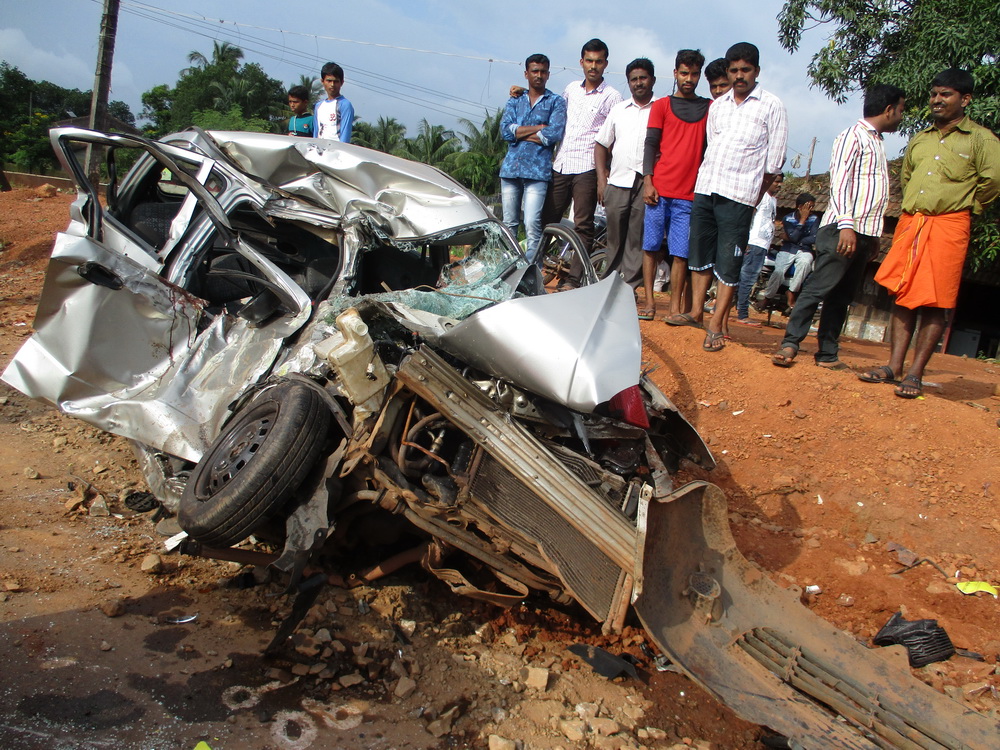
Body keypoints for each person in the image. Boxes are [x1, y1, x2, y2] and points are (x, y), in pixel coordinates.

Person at [862, 69, 999, 398]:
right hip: (913, 222)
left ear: (965, 100)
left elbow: (992, 182)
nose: (937, 100)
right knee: (903, 294)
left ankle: (915, 374)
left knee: (936, 301)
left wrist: (965, 208)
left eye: (946, 94)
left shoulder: (982, 140)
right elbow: (908, 177)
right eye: (934, 94)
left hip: (950, 224)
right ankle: (893, 366)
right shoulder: (920, 138)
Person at [771, 85, 906, 368]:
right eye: (902, 109)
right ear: (889, 109)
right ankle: (790, 343)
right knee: (819, 287)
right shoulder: (852, 136)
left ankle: (828, 353)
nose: (902, 116)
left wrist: (873, 237)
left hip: (864, 232)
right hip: (843, 229)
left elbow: (872, 193)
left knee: (842, 296)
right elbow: (841, 183)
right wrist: (846, 226)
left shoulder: (877, 142)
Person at [687, 42, 787, 351]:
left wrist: (753, 197)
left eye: (745, 70)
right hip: (707, 187)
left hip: (740, 195)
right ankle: (695, 313)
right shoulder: (718, 106)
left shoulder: (771, 106)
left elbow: (774, 162)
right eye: (734, 70)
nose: (739, 75)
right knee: (701, 253)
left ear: (757, 71)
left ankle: (716, 324)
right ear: (728, 71)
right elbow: (711, 145)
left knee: (729, 261)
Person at [542, 39, 623, 289]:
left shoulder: (613, 96)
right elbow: (554, 114)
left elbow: (612, 138)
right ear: (581, 62)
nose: (593, 66)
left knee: (583, 226)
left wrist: (603, 176)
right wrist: (522, 94)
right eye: (589, 60)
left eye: (598, 61)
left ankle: (572, 280)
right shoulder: (570, 90)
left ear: (606, 64)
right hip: (562, 164)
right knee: (548, 220)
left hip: (588, 167)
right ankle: (533, 269)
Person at [641, 50, 710, 322]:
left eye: (694, 74)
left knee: (680, 252)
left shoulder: (708, 109)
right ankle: (649, 302)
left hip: (689, 195)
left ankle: (674, 308)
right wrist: (648, 181)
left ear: (699, 76)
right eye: (684, 73)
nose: (689, 79)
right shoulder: (661, 106)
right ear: (675, 73)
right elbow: (650, 145)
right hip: (658, 191)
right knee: (650, 246)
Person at [595, 58, 656, 298]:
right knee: (614, 238)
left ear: (652, 79)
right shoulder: (619, 110)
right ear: (628, 82)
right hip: (617, 181)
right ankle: (607, 286)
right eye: (633, 79)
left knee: (636, 239)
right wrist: (602, 181)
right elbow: (601, 145)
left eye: (643, 78)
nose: (638, 83)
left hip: (646, 183)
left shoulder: (661, 109)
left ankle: (629, 288)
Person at [499, 54, 567, 265]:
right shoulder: (515, 100)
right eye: (535, 71)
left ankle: (532, 273)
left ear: (548, 74)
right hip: (511, 170)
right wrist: (538, 128)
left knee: (532, 223)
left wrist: (520, 132)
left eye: (543, 71)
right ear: (526, 74)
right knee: (508, 224)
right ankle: (507, 268)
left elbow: (552, 135)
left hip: (538, 172)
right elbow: (505, 131)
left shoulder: (555, 102)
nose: (539, 75)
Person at [735, 172, 783, 326]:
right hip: (754, 243)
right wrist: (746, 238)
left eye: (780, 182)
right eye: (776, 181)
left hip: (762, 245)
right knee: (747, 279)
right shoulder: (761, 196)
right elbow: (749, 215)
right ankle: (742, 314)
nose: (779, 185)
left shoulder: (772, 200)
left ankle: (723, 308)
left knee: (743, 278)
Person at [764, 192, 818, 311]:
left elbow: (814, 237)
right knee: (778, 271)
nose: (812, 210)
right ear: (800, 207)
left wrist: (796, 239)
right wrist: (802, 220)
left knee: (805, 263)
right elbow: (792, 237)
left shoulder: (814, 219)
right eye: (809, 207)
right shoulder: (788, 218)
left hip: (805, 250)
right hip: (788, 249)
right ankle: (768, 297)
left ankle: (792, 291)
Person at [313, 62, 354, 143]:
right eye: (329, 81)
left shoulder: (344, 104)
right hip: (319, 151)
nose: (332, 84)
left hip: (335, 152)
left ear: (342, 82)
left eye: (336, 81)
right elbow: (316, 132)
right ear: (322, 81)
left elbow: (345, 134)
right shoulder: (318, 106)